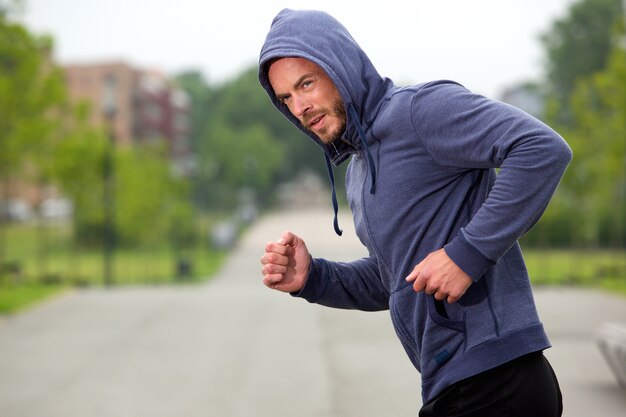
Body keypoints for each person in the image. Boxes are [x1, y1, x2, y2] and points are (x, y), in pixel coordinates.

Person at [258, 9, 571, 417]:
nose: (299, 106)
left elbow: (541, 149)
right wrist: (314, 277)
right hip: (452, 383)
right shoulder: (358, 171)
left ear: (341, 66)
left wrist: (466, 254)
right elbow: (395, 280)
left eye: (306, 84)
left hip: (496, 379)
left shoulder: (419, 111)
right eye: (286, 98)